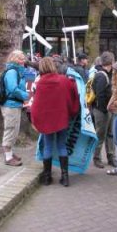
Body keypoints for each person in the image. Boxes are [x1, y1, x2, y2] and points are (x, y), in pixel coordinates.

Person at [30, 56, 80, 186]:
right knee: (62, 145)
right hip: (63, 119)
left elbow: (36, 105)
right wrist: (73, 112)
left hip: (47, 121)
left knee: (48, 146)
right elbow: (74, 97)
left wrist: (35, 121)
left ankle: (47, 177)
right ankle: (65, 177)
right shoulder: (65, 81)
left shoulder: (40, 83)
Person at [0, 50, 29, 167]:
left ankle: (10, 153)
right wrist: (25, 95)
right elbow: (13, 88)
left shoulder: (15, 71)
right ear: (16, 60)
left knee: (14, 129)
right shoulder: (12, 72)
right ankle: (8, 157)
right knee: (10, 129)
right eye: (21, 58)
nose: (24, 61)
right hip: (10, 105)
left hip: (14, 104)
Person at [92, 51, 116, 168]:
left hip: (106, 109)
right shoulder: (102, 75)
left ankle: (110, 157)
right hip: (102, 110)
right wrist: (106, 110)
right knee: (101, 134)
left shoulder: (104, 74)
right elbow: (100, 95)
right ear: (111, 61)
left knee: (109, 134)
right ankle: (97, 158)